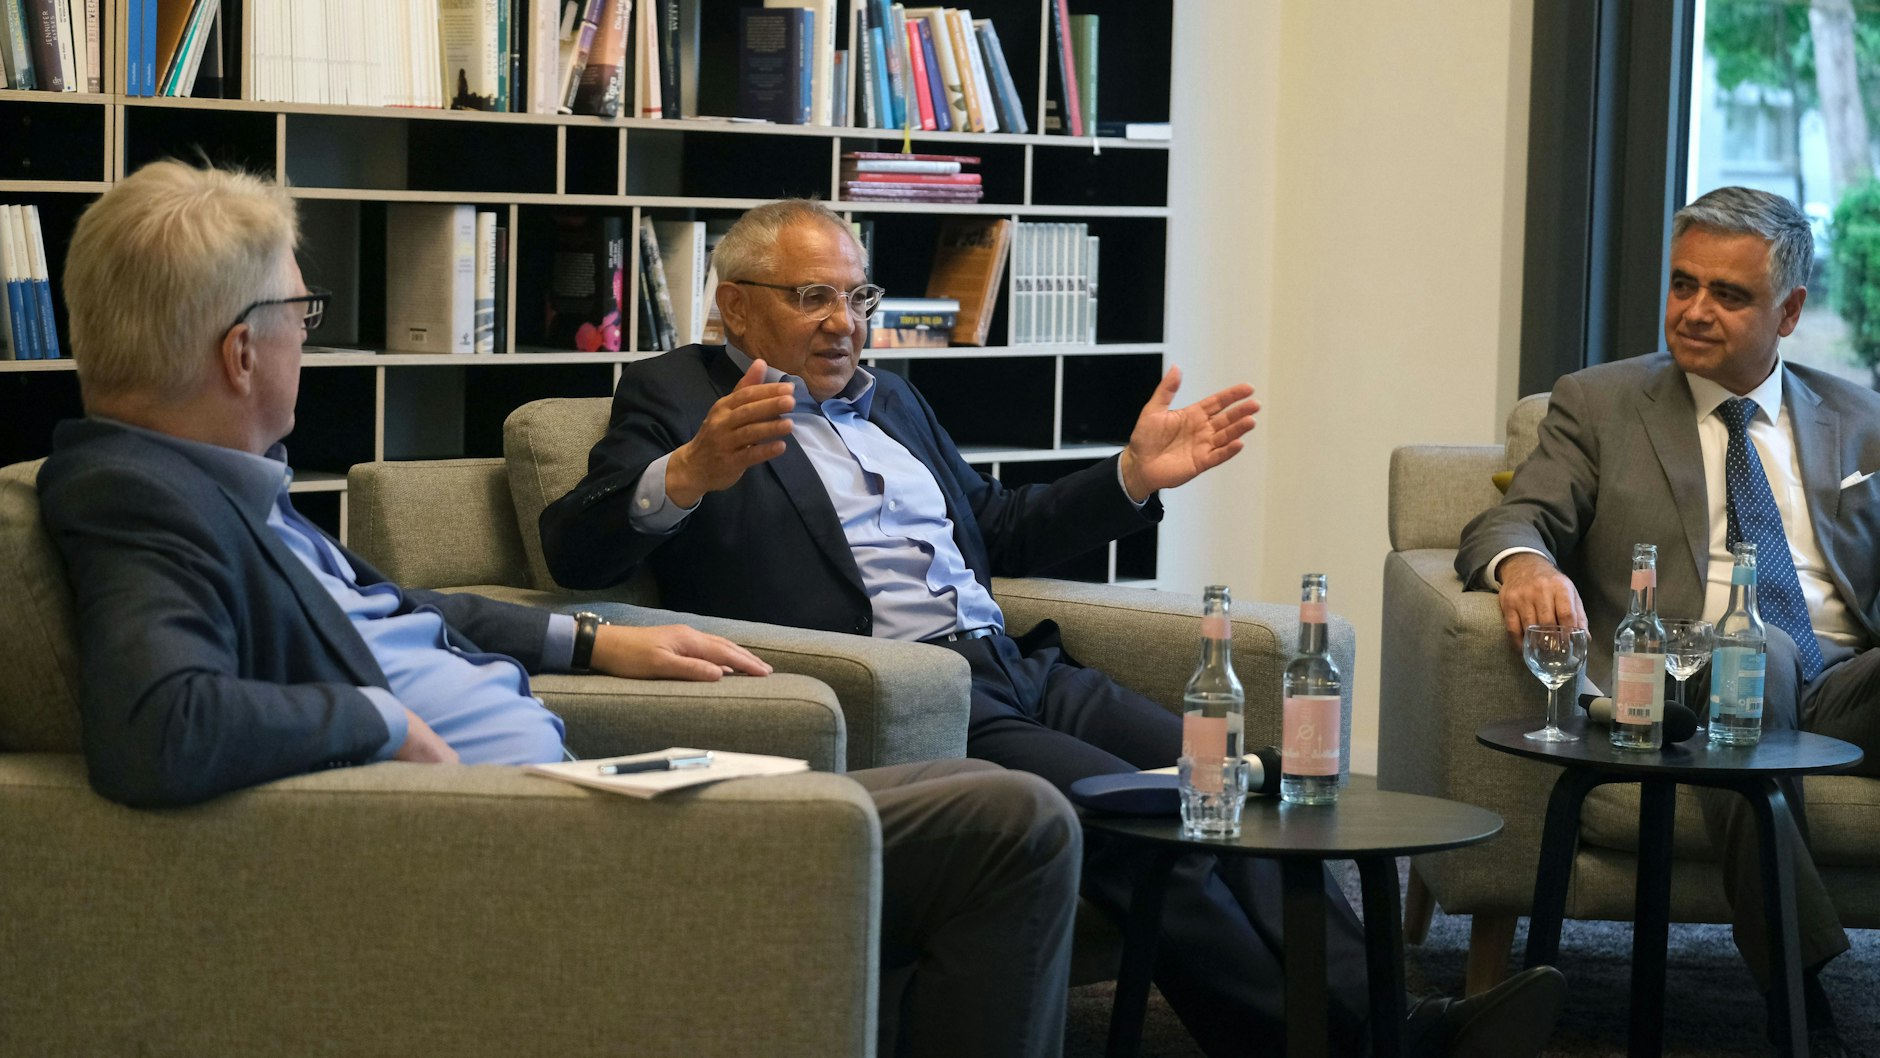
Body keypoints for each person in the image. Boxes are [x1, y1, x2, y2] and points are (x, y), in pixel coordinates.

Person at [38, 161, 1082, 1058]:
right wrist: (379, 722)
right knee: (1011, 822)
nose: (306, 342)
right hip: (534, 850)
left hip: (563, 792)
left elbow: (399, 607)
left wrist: (591, 638)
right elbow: (157, 726)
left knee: (981, 789)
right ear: (240, 354)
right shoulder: (137, 497)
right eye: (301, 317)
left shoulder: (225, 487)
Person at [539, 197, 1566, 1058]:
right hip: (912, 699)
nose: (844, 322)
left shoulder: (893, 403)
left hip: (1019, 668)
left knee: (1245, 787)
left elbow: (999, 525)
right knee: (1156, 825)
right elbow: (574, 550)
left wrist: (1132, 478)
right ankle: (1364, 1043)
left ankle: (1387, 1023)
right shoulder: (675, 393)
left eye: (858, 297)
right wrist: (688, 472)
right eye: (813, 297)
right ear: (734, 303)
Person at [1458, 185, 1880, 1057]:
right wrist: (1527, 564)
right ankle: (1801, 998)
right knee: (1752, 648)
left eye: (1728, 295)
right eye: (1683, 284)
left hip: (1844, 681)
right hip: (1692, 674)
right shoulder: (1599, 404)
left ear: (1789, 312)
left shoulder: (1859, 418)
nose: (1693, 310)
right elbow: (1513, 519)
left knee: (1773, 653)